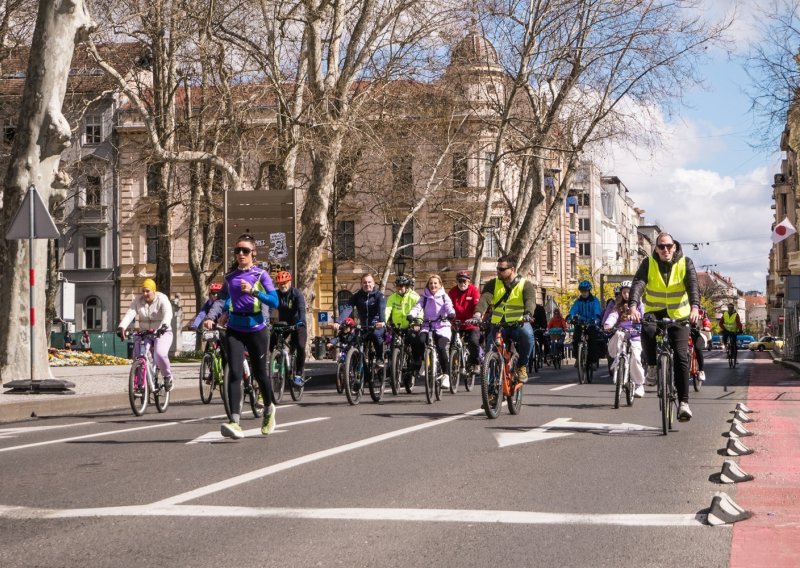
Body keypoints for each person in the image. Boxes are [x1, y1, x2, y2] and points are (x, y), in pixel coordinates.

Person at [202, 234, 279, 440]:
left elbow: (274, 301)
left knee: (260, 374)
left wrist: (254, 291)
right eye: (237, 251)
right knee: (235, 373)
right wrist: (211, 317)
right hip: (235, 329)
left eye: (245, 251)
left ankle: (269, 408)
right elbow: (221, 301)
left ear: (253, 253)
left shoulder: (261, 275)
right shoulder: (230, 277)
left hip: (256, 329)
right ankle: (235, 422)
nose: (241, 254)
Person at [629, 232, 701, 422]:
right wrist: (633, 306)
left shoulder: (686, 262)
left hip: (680, 313)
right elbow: (638, 284)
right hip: (655, 311)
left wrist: (695, 307)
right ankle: (652, 366)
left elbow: (693, 285)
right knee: (647, 328)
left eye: (669, 246)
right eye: (661, 247)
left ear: (674, 247)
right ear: (656, 249)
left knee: (681, 355)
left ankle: (684, 403)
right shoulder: (648, 263)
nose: (665, 250)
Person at [470, 255, 537, 383]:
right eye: (497, 268)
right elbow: (484, 299)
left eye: (501, 269)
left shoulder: (525, 285)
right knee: (490, 355)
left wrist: (528, 314)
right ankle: (491, 393)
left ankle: (521, 365)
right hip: (498, 325)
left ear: (512, 269)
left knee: (528, 336)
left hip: (519, 324)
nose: (498, 272)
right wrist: (477, 314)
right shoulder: (493, 283)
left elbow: (530, 301)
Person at [117, 278, 174, 391]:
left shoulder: (162, 299)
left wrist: (164, 326)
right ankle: (139, 385)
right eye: (143, 291)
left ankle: (167, 376)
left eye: (147, 291)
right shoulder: (138, 301)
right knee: (138, 356)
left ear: (153, 291)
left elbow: (168, 313)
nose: (145, 294)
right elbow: (130, 314)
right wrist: (122, 327)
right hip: (145, 333)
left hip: (161, 332)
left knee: (160, 354)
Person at [408, 274, 456, 388]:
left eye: (435, 283)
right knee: (420, 340)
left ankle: (446, 375)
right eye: (431, 283)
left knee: (441, 347)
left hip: (442, 326)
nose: (433, 285)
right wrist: (411, 314)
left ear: (440, 285)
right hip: (427, 325)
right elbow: (417, 306)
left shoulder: (444, 296)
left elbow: (449, 306)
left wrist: (451, 314)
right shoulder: (424, 296)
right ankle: (425, 362)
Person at [332, 274, 387, 373]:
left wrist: (382, 321)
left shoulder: (379, 295)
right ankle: (358, 368)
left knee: (376, 335)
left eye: (369, 282)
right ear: (361, 284)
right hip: (363, 326)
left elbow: (381, 308)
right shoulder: (357, 296)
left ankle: (379, 358)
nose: (367, 284)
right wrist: (338, 322)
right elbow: (348, 308)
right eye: (364, 282)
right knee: (355, 342)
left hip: (376, 325)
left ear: (373, 283)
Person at [603, 280, 645, 398]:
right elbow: (613, 315)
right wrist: (608, 324)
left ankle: (639, 384)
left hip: (636, 334)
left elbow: (644, 317)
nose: (626, 295)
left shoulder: (640, 305)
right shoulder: (618, 306)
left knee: (636, 358)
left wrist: (642, 323)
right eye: (624, 292)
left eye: (629, 292)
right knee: (616, 336)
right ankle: (617, 358)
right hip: (622, 332)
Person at [271, 270, 307, 387]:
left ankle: (298, 373)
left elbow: (301, 309)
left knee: (300, 346)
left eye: (285, 282)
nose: (283, 285)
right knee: (272, 342)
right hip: (284, 323)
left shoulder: (297, 294)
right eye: (280, 283)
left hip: (298, 323)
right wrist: (265, 319)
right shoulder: (275, 294)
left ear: (289, 282)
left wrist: (301, 321)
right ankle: (277, 360)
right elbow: (270, 308)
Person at [447, 270, 481, 372]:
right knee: (452, 344)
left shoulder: (474, 290)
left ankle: (475, 363)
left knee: (473, 342)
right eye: (460, 281)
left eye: (464, 281)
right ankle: (453, 366)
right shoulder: (452, 292)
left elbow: (477, 305)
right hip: (456, 324)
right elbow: (448, 306)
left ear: (469, 281)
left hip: (471, 324)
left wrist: (476, 317)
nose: (462, 283)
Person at [567, 280, 603, 369]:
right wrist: (570, 317)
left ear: (589, 291)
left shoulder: (594, 300)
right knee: (575, 339)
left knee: (592, 341)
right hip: (581, 322)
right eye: (582, 291)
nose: (583, 293)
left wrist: (596, 318)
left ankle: (594, 361)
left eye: (585, 291)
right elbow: (573, 310)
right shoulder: (578, 301)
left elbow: (597, 310)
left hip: (591, 323)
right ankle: (577, 358)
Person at [692, 308, 712, 382]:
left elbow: (707, 323)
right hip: (689, 334)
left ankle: (701, 371)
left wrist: (706, 327)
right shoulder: (688, 314)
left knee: (697, 348)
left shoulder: (703, 317)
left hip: (700, 334)